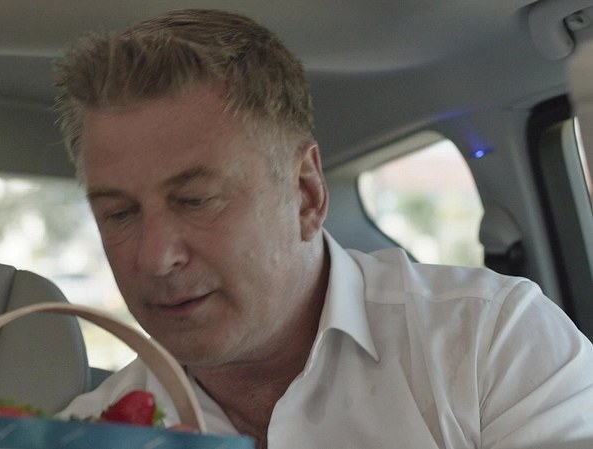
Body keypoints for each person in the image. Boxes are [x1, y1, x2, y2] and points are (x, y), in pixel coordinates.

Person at [52, 8, 593, 449]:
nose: (154, 257)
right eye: (119, 214)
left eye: (196, 201)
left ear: (306, 193)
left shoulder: (487, 342)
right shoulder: (84, 432)